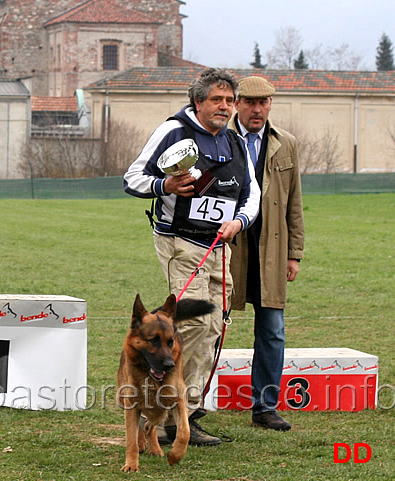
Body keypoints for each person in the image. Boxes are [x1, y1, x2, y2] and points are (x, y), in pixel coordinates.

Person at [124, 68, 261, 445]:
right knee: (193, 325)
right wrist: (164, 184)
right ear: (197, 102)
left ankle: (187, 412)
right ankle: (167, 415)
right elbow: (132, 177)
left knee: (215, 327)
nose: (225, 107)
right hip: (180, 243)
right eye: (217, 100)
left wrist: (239, 221)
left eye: (230, 101)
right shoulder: (172, 131)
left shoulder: (235, 142)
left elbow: (252, 193)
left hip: (221, 246)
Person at [228, 76, 305, 431]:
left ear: (271, 105)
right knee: (212, 326)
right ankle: (193, 408)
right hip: (229, 248)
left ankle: (265, 407)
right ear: (238, 103)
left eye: (264, 103)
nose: (257, 109)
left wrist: (294, 253)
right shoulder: (219, 138)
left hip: (271, 251)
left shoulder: (285, 144)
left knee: (272, 331)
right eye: (250, 102)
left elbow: (294, 204)